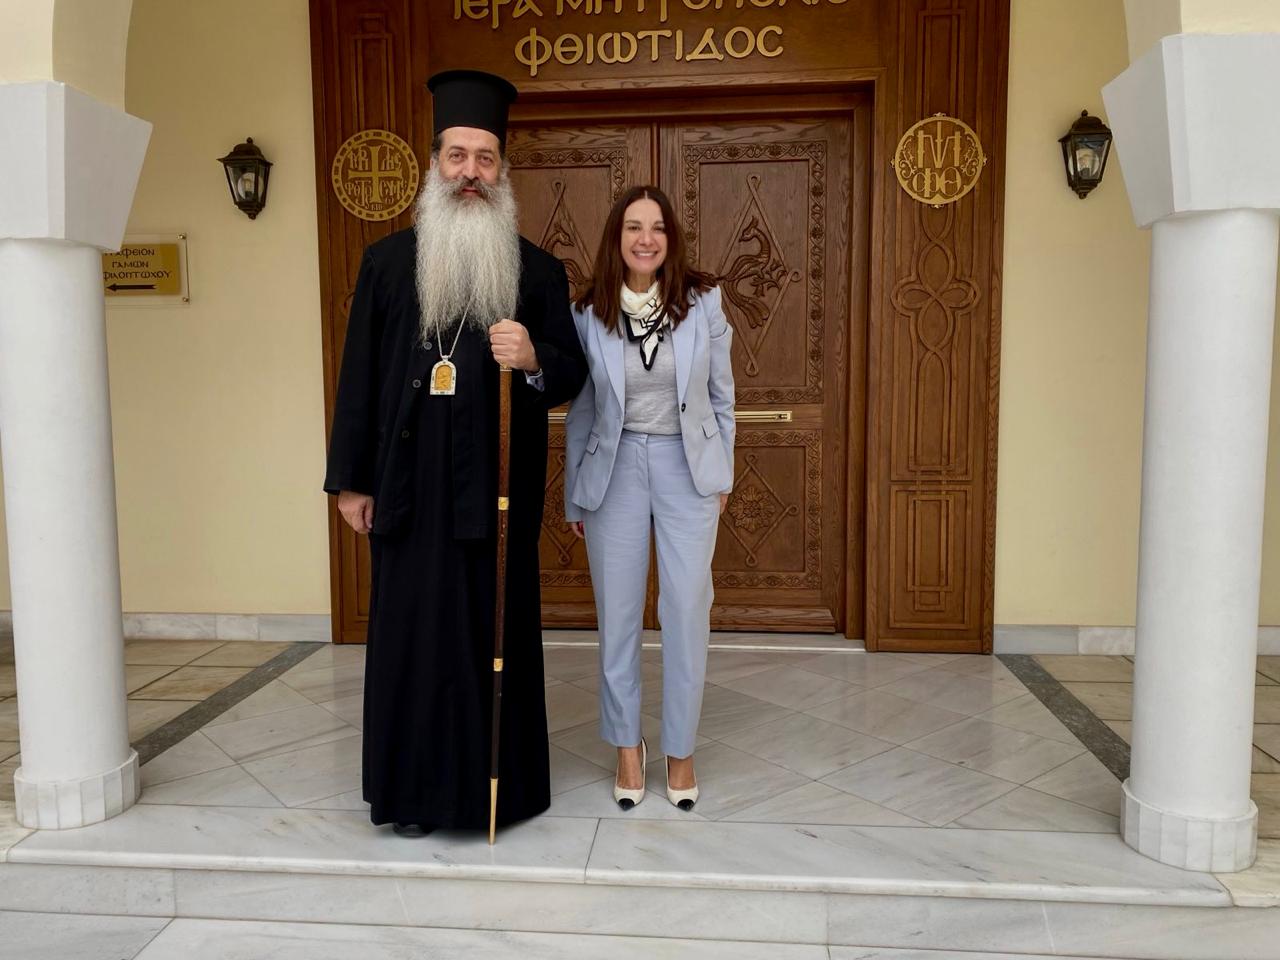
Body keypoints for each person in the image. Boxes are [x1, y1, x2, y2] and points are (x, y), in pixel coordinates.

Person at [324, 70, 587, 835]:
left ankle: (494, 793)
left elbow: (572, 372)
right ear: (435, 163)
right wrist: (350, 483)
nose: (470, 171)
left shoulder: (537, 271)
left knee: (489, 637)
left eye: (485, 158)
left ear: (502, 170)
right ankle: (411, 799)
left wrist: (534, 356)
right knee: (412, 641)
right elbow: (358, 381)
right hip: (407, 490)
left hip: (495, 495)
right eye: (457, 156)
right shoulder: (386, 264)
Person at [563, 185, 735, 810]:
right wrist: (577, 495)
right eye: (633, 226)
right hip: (613, 472)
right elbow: (582, 410)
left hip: (687, 469)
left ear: (670, 238)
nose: (645, 238)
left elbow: (722, 395)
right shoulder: (589, 311)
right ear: (617, 237)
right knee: (618, 616)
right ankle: (627, 749)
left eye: (657, 227)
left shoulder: (703, 300)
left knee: (687, 609)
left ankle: (681, 752)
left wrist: (721, 474)